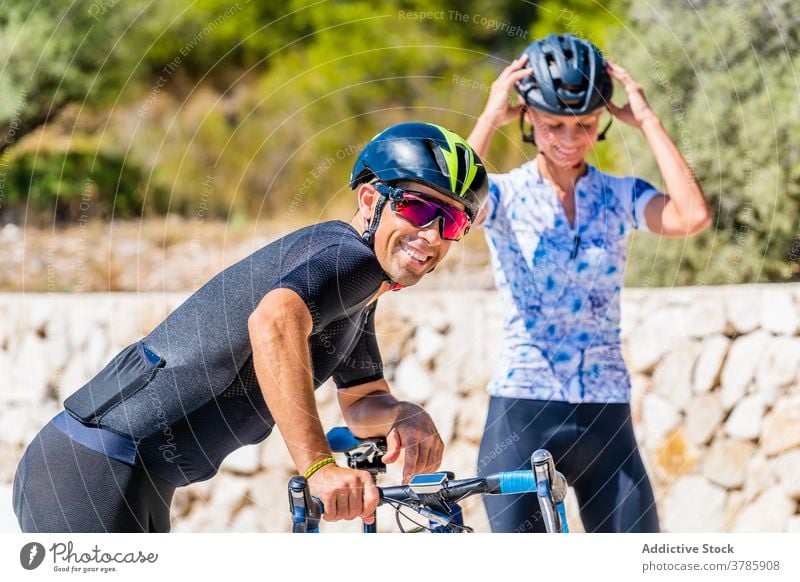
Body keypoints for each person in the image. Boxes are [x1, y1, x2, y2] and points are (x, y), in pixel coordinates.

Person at [13, 122, 489, 533]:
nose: (430, 235)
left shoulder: (361, 292)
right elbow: (274, 322)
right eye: (417, 207)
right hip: (92, 468)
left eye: (451, 222)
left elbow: (362, 403)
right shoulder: (350, 258)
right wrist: (319, 467)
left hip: (125, 474)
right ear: (370, 200)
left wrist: (403, 414)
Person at [467, 33, 712, 532]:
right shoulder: (505, 196)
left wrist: (647, 121)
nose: (570, 138)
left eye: (584, 124)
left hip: (605, 412)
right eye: (554, 124)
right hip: (521, 410)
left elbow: (691, 216)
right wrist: (491, 114)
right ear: (528, 116)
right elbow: (446, 208)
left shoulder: (619, 196)